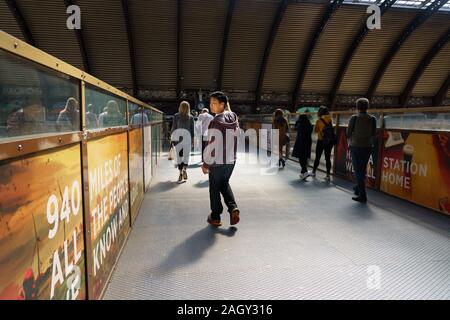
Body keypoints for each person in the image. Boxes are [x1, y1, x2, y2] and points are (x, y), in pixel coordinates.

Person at [202, 91, 239, 227]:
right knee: (224, 183)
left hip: (217, 161)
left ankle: (215, 216)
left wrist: (206, 164)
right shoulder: (233, 116)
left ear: (222, 105)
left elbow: (212, 144)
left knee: (214, 188)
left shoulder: (216, 121)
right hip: (231, 159)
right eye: (210, 103)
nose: (211, 106)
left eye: (214, 103)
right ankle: (233, 207)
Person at [346, 98, 377, 203]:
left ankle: (362, 195)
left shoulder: (354, 118)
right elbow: (374, 133)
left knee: (358, 170)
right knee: (363, 169)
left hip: (355, 146)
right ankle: (358, 188)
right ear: (367, 107)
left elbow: (348, 133)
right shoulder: (373, 119)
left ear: (357, 107)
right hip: (368, 146)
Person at [171, 101, 195, 182]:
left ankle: (180, 172)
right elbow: (192, 130)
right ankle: (185, 169)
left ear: (180, 107)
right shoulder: (191, 117)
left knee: (179, 157)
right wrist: (193, 140)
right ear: (188, 108)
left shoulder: (176, 116)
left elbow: (174, 128)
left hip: (178, 140)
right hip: (187, 139)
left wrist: (172, 139)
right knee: (186, 156)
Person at [312, 106, 334, 181]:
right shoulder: (330, 119)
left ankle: (314, 172)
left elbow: (315, 130)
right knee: (328, 158)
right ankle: (328, 175)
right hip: (329, 141)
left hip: (321, 140)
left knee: (317, 157)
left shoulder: (318, 120)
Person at [292, 114, 313, 180]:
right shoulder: (309, 125)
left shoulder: (300, 125)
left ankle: (305, 171)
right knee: (305, 157)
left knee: (301, 158)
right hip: (308, 142)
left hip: (300, 142)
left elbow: (294, 128)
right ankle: (303, 173)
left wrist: (297, 121)